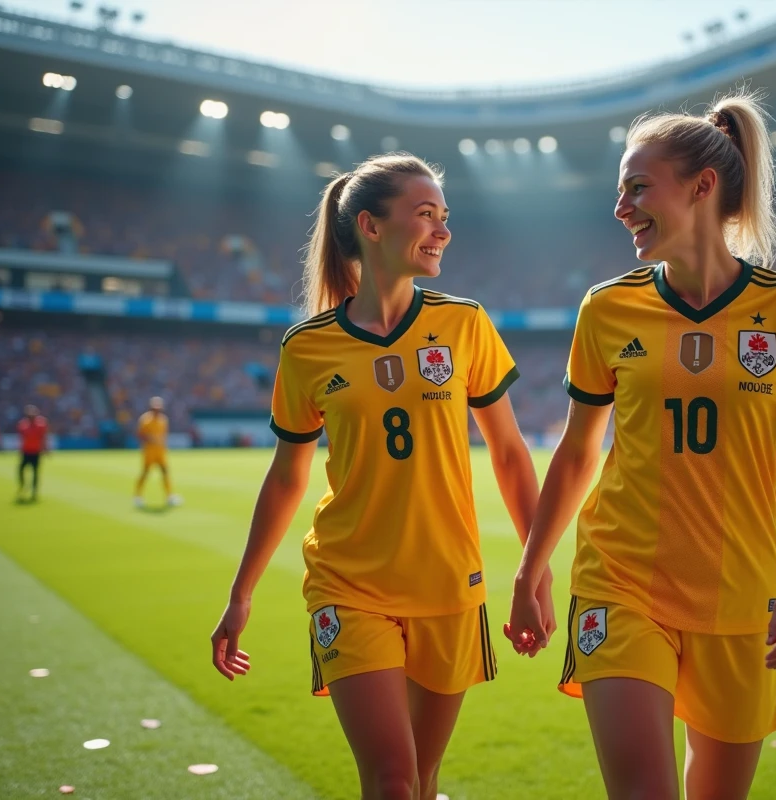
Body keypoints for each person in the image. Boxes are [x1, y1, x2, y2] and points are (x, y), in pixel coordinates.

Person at [506, 91, 776, 799]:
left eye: (638, 188)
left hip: (742, 600)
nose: (621, 208)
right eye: (621, 191)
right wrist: (529, 571)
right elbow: (577, 454)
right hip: (621, 583)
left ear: (702, 187)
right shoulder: (607, 307)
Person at [209, 153, 552, 800]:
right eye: (425, 215)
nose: (443, 230)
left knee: (422, 778)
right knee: (392, 778)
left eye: (444, 216)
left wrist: (535, 573)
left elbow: (509, 454)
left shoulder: (464, 323)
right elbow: (286, 479)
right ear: (370, 226)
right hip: (350, 584)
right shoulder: (307, 347)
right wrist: (241, 593)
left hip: (448, 582)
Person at [134, 396, 180, 507]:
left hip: (160, 451)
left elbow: (164, 435)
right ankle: (138, 496)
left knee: (165, 473)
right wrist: (151, 439)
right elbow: (140, 434)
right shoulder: (145, 420)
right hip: (149, 451)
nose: (157, 410)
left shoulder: (163, 420)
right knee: (145, 473)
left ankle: (169, 496)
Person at [16, 404, 48, 502]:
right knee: (21, 470)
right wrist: (20, 449)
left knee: (35, 472)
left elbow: (43, 437)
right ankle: (23, 484)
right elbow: (21, 438)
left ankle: (34, 491)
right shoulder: (23, 424)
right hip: (26, 451)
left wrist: (45, 448)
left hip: (36, 451)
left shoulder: (41, 424)